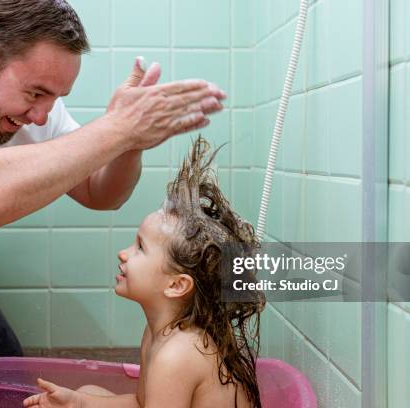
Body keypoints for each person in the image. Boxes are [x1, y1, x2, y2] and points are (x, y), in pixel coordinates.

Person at [0, 0, 227, 370]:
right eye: (35, 93)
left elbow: (101, 194)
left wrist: (127, 145)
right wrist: (116, 128)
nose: (40, 115)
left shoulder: (36, 111)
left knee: (4, 383)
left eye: (53, 98)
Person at [23, 137, 266, 408]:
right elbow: (142, 403)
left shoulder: (176, 354)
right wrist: (77, 402)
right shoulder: (159, 333)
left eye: (140, 247)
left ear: (176, 285)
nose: (123, 254)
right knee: (87, 391)